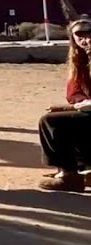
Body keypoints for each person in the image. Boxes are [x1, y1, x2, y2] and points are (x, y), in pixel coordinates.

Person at [35, 15, 91, 192]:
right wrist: (79, 104)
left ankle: (69, 176)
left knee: (51, 122)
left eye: (89, 33)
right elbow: (74, 93)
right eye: (79, 35)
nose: (85, 39)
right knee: (59, 117)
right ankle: (73, 168)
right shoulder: (80, 61)